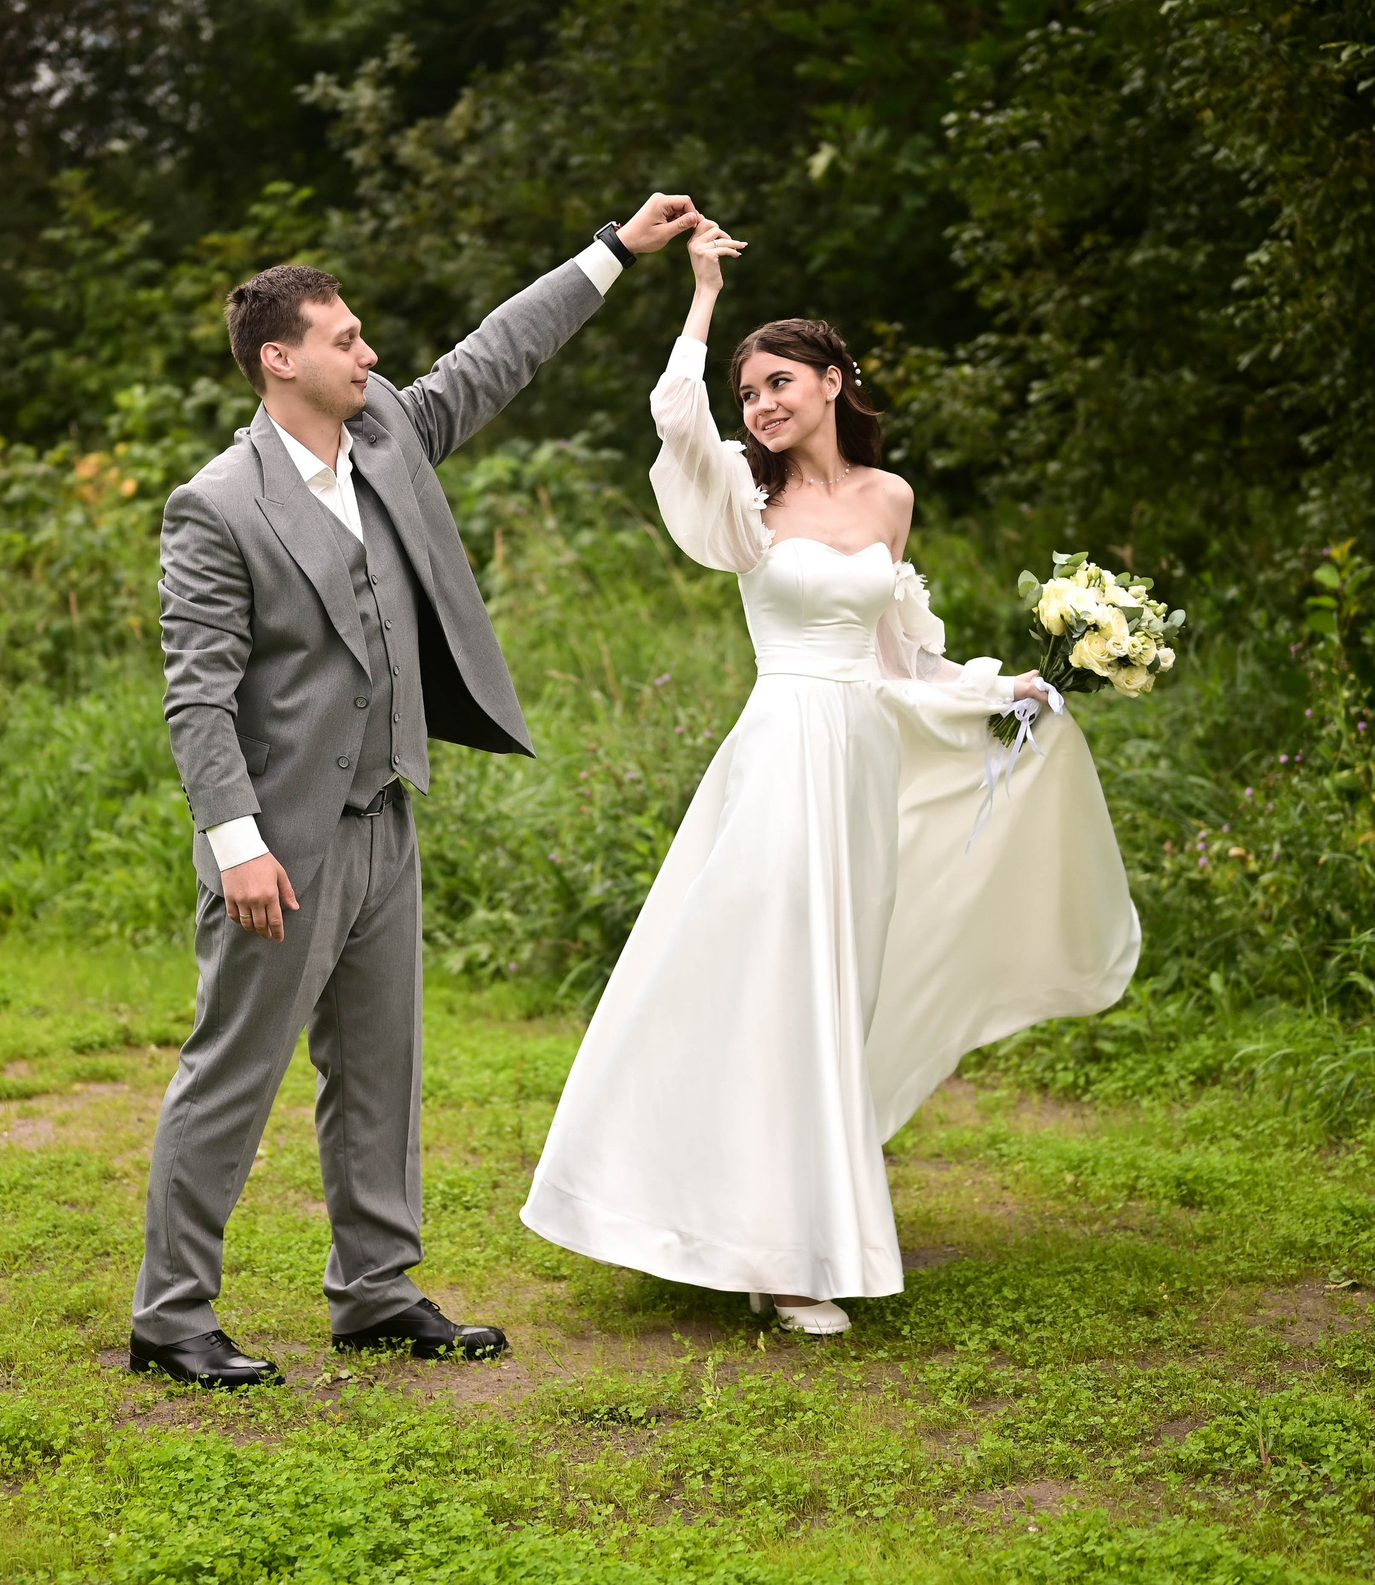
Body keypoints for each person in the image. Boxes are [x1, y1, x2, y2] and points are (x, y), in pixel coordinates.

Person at [520, 220, 1142, 1334]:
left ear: (832, 382)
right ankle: (781, 1256)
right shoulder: (744, 508)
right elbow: (673, 418)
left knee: (835, 992)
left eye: (777, 383)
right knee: (772, 986)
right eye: (747, 390)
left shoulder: (889, 499)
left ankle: (788, 1234)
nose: (758, 403)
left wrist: (1001, 690)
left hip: (858, 760)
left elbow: (901, 657)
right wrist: (702, 292)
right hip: (776, 758)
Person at [134, 194, 707, 1387]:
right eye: (346, 340)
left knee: (382, 1073)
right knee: (231, 1075)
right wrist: (235, 841)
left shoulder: (387, 431)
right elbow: (198, 695)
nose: (371, 355)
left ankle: (376, 1292)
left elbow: (490, 356)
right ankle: (172, 1316)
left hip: (384, 813)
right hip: (277, 845)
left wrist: (610, 252)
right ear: (278, 358)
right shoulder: (216, 506)